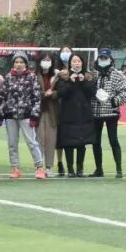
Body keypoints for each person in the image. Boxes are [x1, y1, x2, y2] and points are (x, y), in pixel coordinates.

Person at [0, 53, 46, 179]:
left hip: (26, 115)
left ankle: (40, 167)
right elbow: (2, 96)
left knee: (31, 142)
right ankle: (15, 168)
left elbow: (37, 98)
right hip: (10, 115)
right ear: (13, 64)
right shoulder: (8, 77)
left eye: (21, 62)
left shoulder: (32, 77)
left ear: (26, 64)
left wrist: (34, 115)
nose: (18, 64)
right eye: (16, 62)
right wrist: (0, 113)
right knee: (12, 143)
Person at [91, 47, 126, 178]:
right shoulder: (93, 74)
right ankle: (99, 169)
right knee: (95, 141)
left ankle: (119, 169)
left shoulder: (116, 74)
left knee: (113, 140)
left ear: (110, 59)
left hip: (111, 112)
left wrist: (115, 101)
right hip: (95, 112)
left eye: (105, 58)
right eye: (101, 58)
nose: (103, 60)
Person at [55, 53, 96, 178]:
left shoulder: (88, 76)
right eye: (74, 61)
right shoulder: (64, 77)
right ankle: (70, 169)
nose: (76, 64)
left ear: (82, 63)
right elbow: (61, 93)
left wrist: (83, 82)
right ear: (70, 64)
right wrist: (70, 82)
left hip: (84, 115)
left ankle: (80, 169)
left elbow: (92, 92)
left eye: (78, 61)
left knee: (81, 144)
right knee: (68, 143)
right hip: (68, 114)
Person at [37, 53, 60, 178]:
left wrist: (53, 93)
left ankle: (49, 167)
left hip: (52, 112)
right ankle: (39, 166)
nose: (46, 62)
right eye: (44, 60)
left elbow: (61, 91)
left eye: (48, 60)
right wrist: (43, 94)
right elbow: (33, 91)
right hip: (38, 111)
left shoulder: (56, 75)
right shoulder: (35, 75)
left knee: (51, 140)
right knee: (39, 140)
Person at [52, 45, 75, 175]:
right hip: (59, 108)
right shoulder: (56, 70)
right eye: (63, 51)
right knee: (59, 138)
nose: (66, 53)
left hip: (73, 108)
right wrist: (57, 75)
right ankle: (60, 163)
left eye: (68, 51)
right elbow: (52, 88)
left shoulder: (76, 70)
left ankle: (71, 165)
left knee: (71, 138)